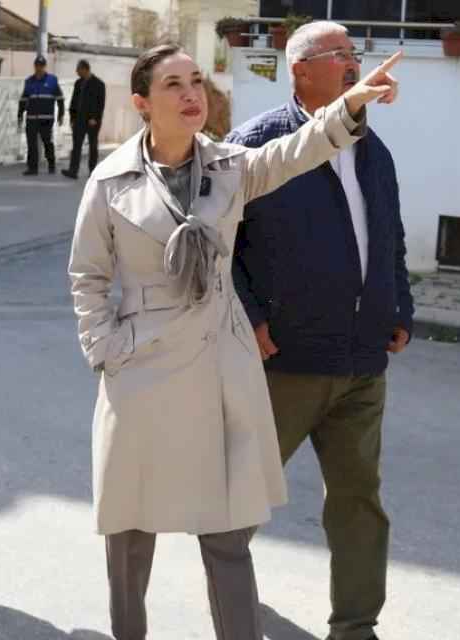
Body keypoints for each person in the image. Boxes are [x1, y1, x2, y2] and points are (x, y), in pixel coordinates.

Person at [68, 43, 400, 639]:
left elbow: (297, 150)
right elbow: (88, 277)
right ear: (142, 103)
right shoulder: (110, 180)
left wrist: (350, 103)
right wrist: (106, 350)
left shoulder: (231, 166)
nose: (191, 94)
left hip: (221, 368)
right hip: (140, 369)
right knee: (130, 529)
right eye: (173, 85)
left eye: (197, 81)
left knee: (225, 533)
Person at [225, 22, 414, 640]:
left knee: (359, 503)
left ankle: (356, 628)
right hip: (286, 360)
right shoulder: (257, 143)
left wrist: (400, 306)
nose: (354, 64)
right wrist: (251, 317)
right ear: (301, 70)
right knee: (241, 501)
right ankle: (229, 605)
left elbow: (389, 236)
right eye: (341, 55)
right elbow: (218, 245)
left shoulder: (373, 150)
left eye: (355, 54)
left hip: (362, 362)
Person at [18, 55, 64, 176]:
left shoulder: (52, 80)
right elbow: (23, 100)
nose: (39, 68)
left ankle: (51, 164)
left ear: (45, 66)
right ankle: (32, 168)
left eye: (42, 66)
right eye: (37, 66)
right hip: (31, 118)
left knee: (47, 142)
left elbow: (60, 99)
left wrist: (61, 114)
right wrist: (20, 114)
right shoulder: (29, 81)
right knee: (31, 144)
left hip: (46, 119)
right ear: (35, 66)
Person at [62, 59, 105, 180]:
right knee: (76, 145)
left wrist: (95, 118)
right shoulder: (78, 83)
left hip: (92, 121)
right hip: (79, 119)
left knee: (93, 145)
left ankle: (93, 171)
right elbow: (74, 101)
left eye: (78, 69)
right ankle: (73, 170)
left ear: (85, 69)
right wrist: (72, 117)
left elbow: (101, 104)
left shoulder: (98, 84)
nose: (77, 72)